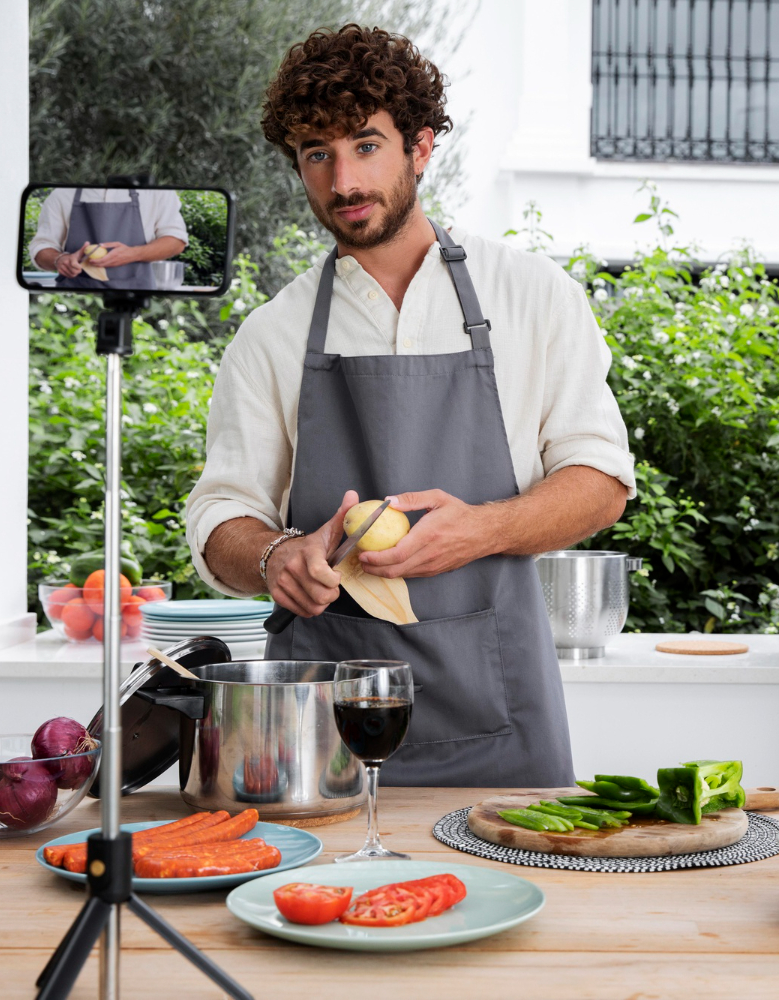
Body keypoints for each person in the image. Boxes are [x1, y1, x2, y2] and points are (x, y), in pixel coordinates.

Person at [185, 25, 635, 787]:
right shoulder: (274, 333)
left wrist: (482, 529)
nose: (342, 182)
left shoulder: (532, 296)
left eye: (366, 146)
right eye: (315, 155)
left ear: (420, 148)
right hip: (319, 726)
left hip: (502, 716)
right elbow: (220, 512)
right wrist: (273, 557)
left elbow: (601, 482)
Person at [27, 187, 188, 289]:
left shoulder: (156, 191)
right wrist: (60, 260)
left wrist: (133, 254)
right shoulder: (62, 193)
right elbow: (41, 247)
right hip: (73, 300)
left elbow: (176, 241)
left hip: (137, 299)